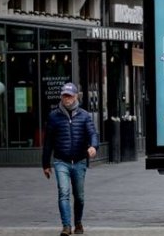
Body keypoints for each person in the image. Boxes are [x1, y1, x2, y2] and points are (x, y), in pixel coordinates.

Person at [42, 83, 99, 236]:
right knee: (64, 192)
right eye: (64, 95)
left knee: (79, 197)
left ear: (75, 97)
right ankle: (66, 226)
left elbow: (93, 134)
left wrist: (93, 146)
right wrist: (45, 164)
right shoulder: (54, 116)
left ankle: (78, 222)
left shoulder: (84, 115)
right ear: (61, 97)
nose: (66, 98)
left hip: (79, 161)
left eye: (69, 96)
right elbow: (48, 142)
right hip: (61, 161)